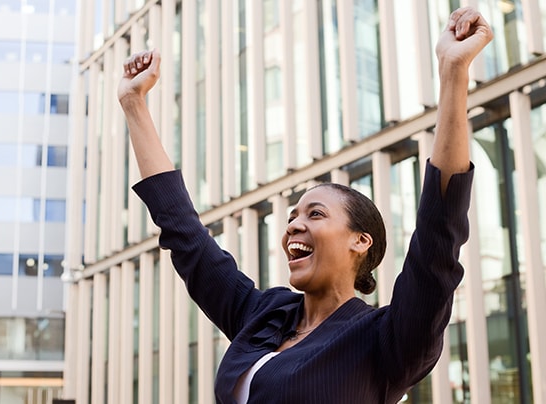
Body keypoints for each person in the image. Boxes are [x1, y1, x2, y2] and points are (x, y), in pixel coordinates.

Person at [117, 6, 493, 404]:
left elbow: (439, 235)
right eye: (293, 215)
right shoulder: (263, 313)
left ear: (360, 241)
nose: (293, 225)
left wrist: (454, 74)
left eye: (315, 214)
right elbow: (186, 236)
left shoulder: (385, 339)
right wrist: (134, 104)